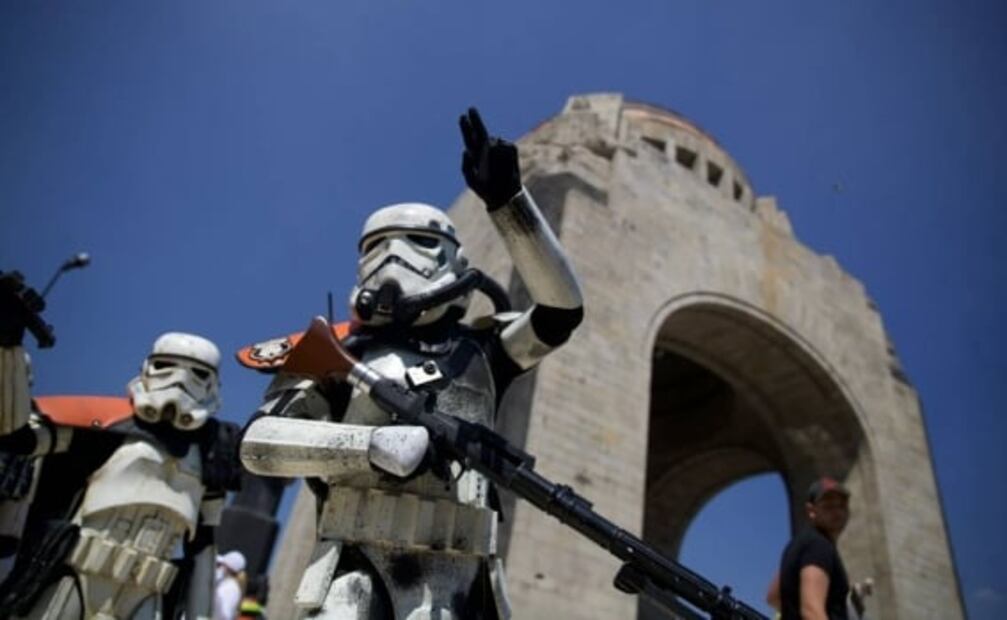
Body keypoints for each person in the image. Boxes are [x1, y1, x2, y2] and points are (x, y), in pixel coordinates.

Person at [239, 107, 584, 619]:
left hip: (455, 577)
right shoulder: (338, 353)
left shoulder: (485, 351)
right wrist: (370, 446)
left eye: (420, 244)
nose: (393, 259)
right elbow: (261, 445)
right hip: (350, 565)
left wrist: (509, 204)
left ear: (454, 262)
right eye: (375, 248)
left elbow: (560, 312)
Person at [0, 312, 242, 618]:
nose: (179, 381)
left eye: (197, 373)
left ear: (213, 386)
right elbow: (18, 437)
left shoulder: (212, 451)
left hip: (147, 590)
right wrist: (8, 350)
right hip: (77, 574)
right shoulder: (105, 428)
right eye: (166, 367)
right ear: (146, 370)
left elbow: (203, 545)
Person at [767, 477, 852, 620]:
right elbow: (811, 611)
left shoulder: (801, 543)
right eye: (829, 506)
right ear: (811, 510)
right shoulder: (818, 546)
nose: (837, 512)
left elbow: (773, 596)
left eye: (842, 505)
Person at [214, 550, 247, 620]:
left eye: (220, 565)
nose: (218, 569)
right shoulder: (227, 584)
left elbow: (225, 616)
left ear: (227, 568)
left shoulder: (231, 588)